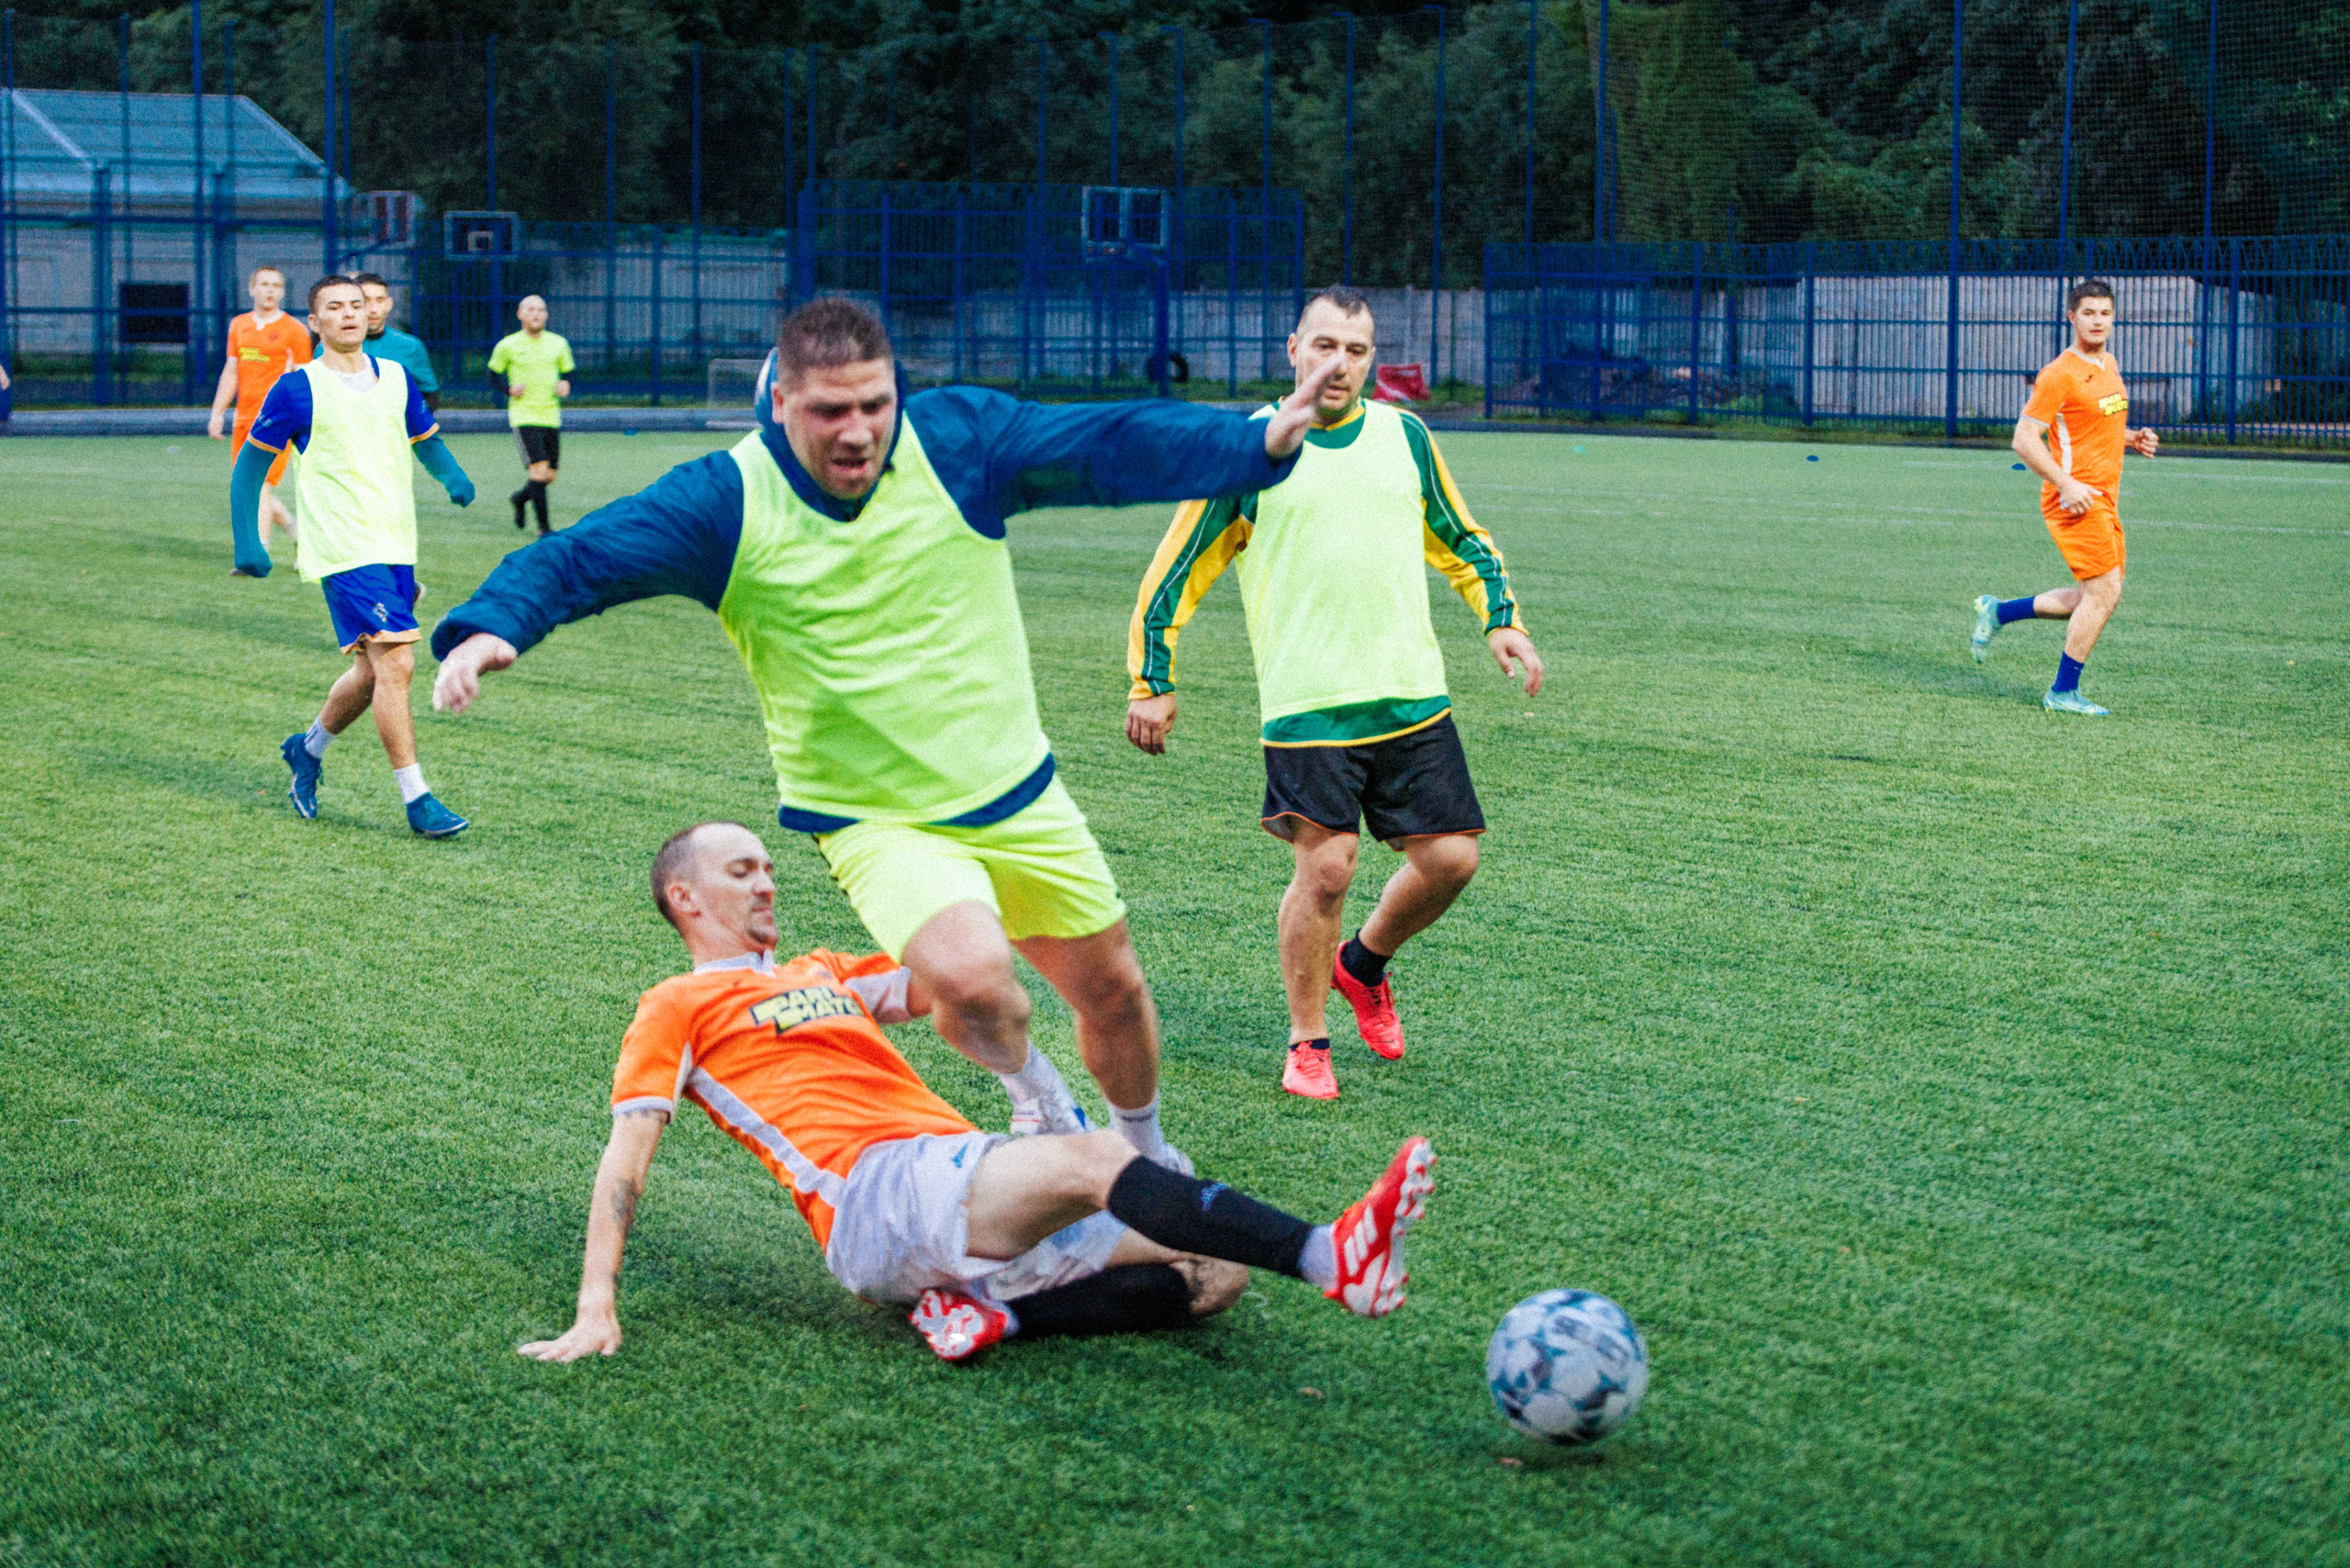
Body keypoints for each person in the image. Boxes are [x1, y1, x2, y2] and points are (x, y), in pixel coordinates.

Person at [431, 297, 1343, 1164]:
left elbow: (1104, 442)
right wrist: (492, 625)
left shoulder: (954, 441)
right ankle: (1039, 1100)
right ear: (779, 403)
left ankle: (1142, 1154)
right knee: (977, 980)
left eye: (876, 403)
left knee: (1113, 993)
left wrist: (1248, 441)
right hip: (872, 816)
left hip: (1013, 788)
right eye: (830, 410)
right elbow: (584, 557)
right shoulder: (724, 500)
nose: (860, 430)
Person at [515, 821, 1437, 1365]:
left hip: (954, 1186)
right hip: (876, 1194)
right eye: (740, 869)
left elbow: (959, 981)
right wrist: (596, 1303)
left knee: (1214, 1272)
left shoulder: (826, 971)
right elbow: (624, 1158)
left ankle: (989, 1312)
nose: (766, 880)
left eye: (767, 864)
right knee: (1100, 1158)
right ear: (684, 898)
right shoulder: (676, 1005)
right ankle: (1329, 1256)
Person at [1125, 286, 1543, 1101]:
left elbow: (1460, 537)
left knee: (1453, 860)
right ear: (1293, 351)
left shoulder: (1404, 436)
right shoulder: (1252, 449)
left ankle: (1364, 963)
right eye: (1324, 346)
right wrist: (1153, 680)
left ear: (1371, 359)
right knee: (1327, 871)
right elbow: (1177, 567)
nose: (1339, 364)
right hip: (1308, 703)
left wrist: (1501, 619)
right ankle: (1307, 1042)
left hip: (1412, 694)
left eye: (1355, 350)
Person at [232, 275, 479, 836]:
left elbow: (426, 439)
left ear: (370, 315)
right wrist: (249, 543)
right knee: (398, 663)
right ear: (314, 324)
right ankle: (418, 801)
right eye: (334, 308)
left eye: (357, 305)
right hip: (342, 548)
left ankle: (308, 749)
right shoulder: (297, 389)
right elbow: (249, 470)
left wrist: (453, 476)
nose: (349, 314)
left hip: (395, 542)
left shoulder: (394, 376)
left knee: (370, 672)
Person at [1972, 279, 2159, 715]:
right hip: (2074, 499)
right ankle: (2061, 692)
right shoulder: (2058, 373)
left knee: (2096, 595)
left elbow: (2092, 426)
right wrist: (2066, 484)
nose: (2098, 321)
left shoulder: (2108, 363)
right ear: (2071, 317)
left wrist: (2131, 438)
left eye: (2105, 313)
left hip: (2104, 497)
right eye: (2088, 313)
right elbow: (2024, 439)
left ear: (2114, 318)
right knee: (2104, 592)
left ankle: (1999, 612)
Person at [208, 265, 313, 563]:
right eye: (265, 284)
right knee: (249, 486)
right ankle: (299, 533)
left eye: (277, 286)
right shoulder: (238, 325)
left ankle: (258, 550)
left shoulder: (295, 331)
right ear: (251, 289)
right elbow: (231, 370)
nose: (270, 291)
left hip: (277, 423)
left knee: (260, 485)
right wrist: (217, 413)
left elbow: (304, 377)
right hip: (244, 420)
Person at [487, 295, 575, 534]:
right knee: (539, 469)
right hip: (524, 416)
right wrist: (508, 390)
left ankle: (519, 498)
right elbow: (492, 375)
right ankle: (545, 530)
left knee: (549, 475)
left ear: (546, 315)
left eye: (540, 310)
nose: (536, 314)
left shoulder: (558, 343)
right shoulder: (508, 345)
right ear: (520, 314)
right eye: (530, 310)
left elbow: (568, 373)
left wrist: (565, 385)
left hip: (551, 415)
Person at [352, 273, 441, 412]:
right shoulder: (330, 347)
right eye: (366, 300)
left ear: (389, 304)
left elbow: (429, 394)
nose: (373, 309)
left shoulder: (411, 347)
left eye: (379, 300)